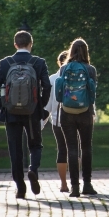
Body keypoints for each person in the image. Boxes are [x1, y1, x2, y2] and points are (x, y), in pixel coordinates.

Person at [0, 30, 52, 199]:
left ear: (15, 45)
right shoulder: (38, 62)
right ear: (30, 44)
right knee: (35, 145)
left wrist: (4, 107)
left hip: (11, 112)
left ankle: (20, 187)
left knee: (15, 149)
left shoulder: (5, 63)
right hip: (32, 112)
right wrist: (40, 106)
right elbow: (47, 86)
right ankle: (33, 170)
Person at [58, 38, 98, 197]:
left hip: (67, 111)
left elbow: (60, 92)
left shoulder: (64, 68)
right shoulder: (90, 69)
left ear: (71, 51)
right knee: (86, 147)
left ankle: (74, 187)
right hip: (85, 112)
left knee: (71, 149)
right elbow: (93, 92)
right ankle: (87, 184)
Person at [45, 50, 70, 192]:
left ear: (58, 62)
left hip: (57, 120)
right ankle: (75, 182)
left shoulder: (52, 79)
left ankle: (63, 184)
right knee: (75, 150)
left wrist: (42, 122)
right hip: (76, 118)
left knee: (62, 149)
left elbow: (47, 105)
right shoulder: (77, 76)